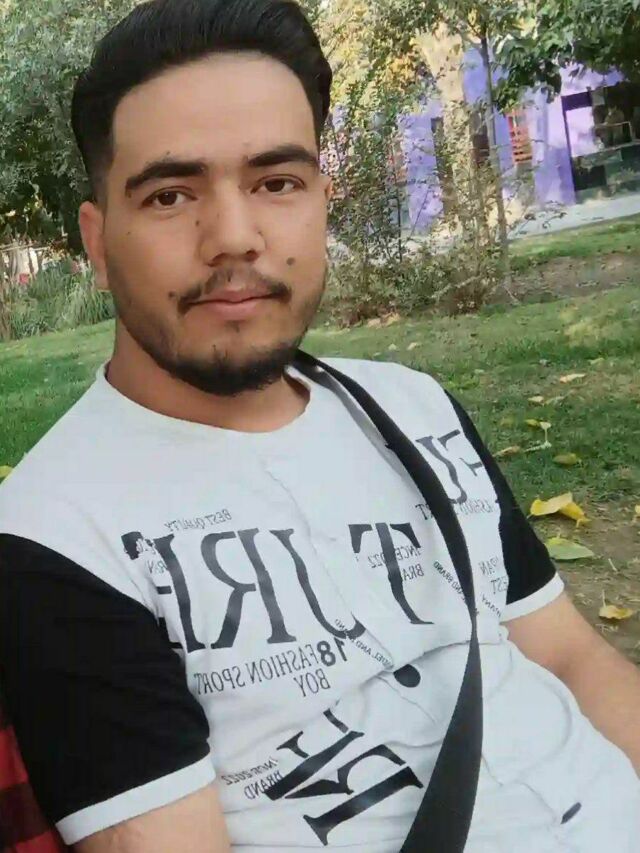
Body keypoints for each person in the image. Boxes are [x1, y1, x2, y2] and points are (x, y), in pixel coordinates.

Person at [0, 1, 639, 851]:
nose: (234, 237)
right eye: (170, 195)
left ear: (321, 202)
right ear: (99, 240)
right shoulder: (56, 535)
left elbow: (570, 657)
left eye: (277, 182)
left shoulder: (416, 407)